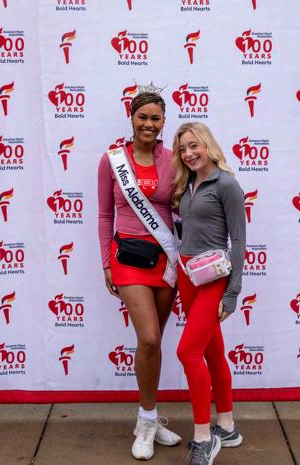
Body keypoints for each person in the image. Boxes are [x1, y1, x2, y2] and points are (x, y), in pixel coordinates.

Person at [97, 91, 181, 460]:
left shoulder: (174, 159)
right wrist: (106, 262)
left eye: (155, 118)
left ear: (163, 122)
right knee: (148, 336)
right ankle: (146, 422)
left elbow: (183, 207)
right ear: (131, 118)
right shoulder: (112, 159)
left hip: (166, 260)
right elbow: (104, 215)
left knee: (153, 344)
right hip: (127, 259)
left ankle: (150, 416)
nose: (149, 124)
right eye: (142, 117)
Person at [172, 122, 246, 465]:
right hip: (188, 277)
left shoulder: (227, 184)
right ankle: (227, 426)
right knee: (212, 352)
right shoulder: (187, 183)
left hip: (213, 279)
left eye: (193, 146)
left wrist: (232, 293)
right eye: (182, 149)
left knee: (188, 352)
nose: (188, 154)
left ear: (207, 145)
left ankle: (204, 437)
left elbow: (239, 241)